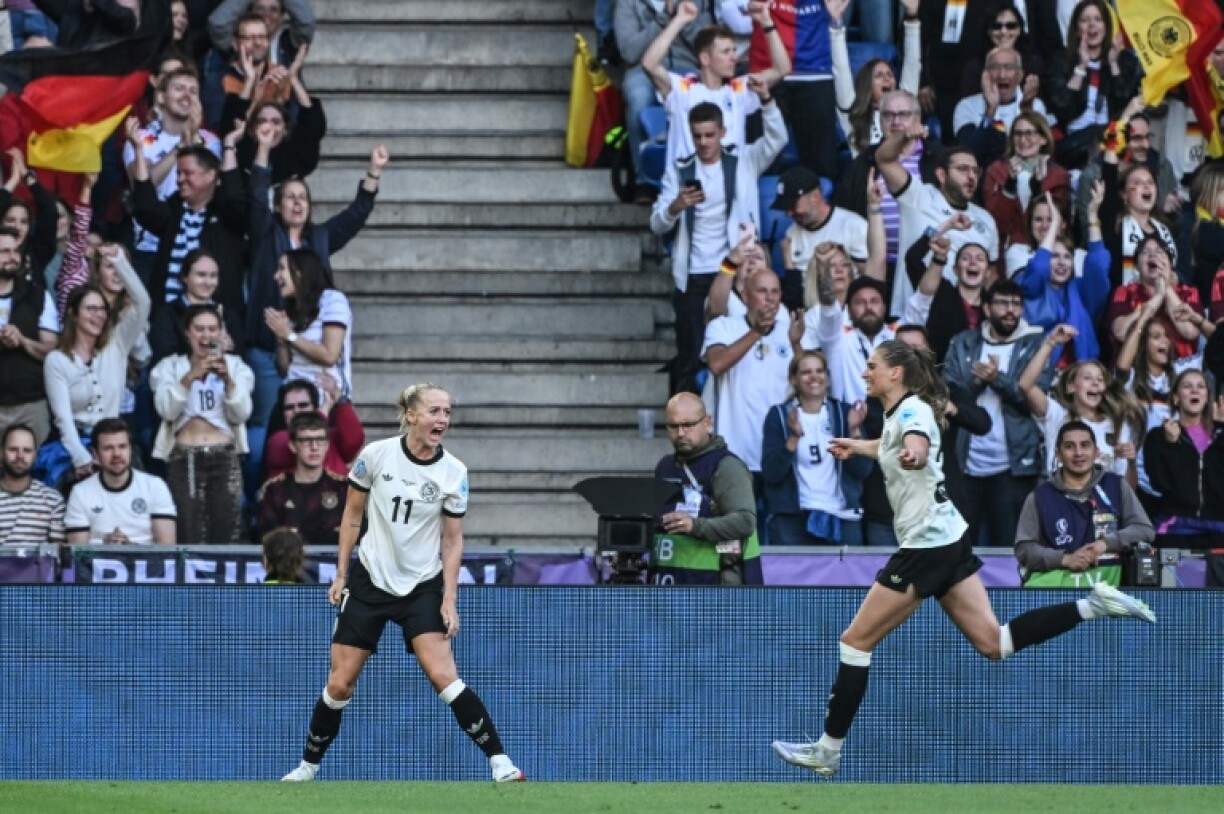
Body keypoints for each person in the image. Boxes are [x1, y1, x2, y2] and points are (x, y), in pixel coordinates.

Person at [770, 339, 1156, 778]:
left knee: (855, 642)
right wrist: (860, 448)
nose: (865, 372)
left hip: (926, 545)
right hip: (949, 537)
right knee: (995, 644)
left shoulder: (912, 412)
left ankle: (828, 749)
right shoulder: (901, 411)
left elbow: (912, 444)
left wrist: (914, 455)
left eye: (873, 366)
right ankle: (1092, 605)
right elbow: (899, 442)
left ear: (896, 373)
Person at [281, 383, 523, 783]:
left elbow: (452, 539)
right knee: (340, 683)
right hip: (371, 580)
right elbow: (352, 517)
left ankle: (502, 763)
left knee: (444, 675)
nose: (442, 419)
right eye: (434, 411)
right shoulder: (376, 456)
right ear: (411, 415)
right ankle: (308, 767)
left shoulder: (454, 472)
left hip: (421, 586)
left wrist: (449, 598)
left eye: (447, 412)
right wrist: (341, 574)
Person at [650, 77, 785, 394]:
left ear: (723, 133)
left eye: (710, 135)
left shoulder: (743, 162)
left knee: (737, 344)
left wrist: (768, 103)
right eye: (697, 136)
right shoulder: (679, 170)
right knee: (691, 353)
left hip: (735, 270)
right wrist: (675, 207)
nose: (704, 142)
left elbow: (777, 140)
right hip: (693, 274)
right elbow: (656, 223)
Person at [943, 280, 1047, 548]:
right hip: (965, 464)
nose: (1010, 310)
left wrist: (997, 379)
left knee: (1011, 549)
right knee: (958, 548)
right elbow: (946, 398)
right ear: (987, 308)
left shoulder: (1035, 345)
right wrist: (978, 383)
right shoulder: (962, 342)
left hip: (1013, 467)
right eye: (1002, 303)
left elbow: (1036, 402)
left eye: (1016, 304)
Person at [40, 247, 149, 488]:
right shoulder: (57, 360)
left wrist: (118, 261)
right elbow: (63, 419)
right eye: (91, 309)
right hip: (74, 449)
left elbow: (143, 302)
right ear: (73, 315)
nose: (99, 315)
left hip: (115, 443)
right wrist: (82, 459)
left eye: (102, 309)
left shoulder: (117, 343)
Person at [875, 118, 1000, 319]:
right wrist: (904, 135)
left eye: (976, 171)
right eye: (963, 169)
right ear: (941, 175)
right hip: (912, 316)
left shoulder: (986, 220)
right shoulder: (918, 195)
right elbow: (884, 160)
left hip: (960, 320)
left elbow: (991, 276)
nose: (971, 177)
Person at [151, 304, 255, 544]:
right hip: (184, 456)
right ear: (187, 332)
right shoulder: (168, 367)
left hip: (224, 455)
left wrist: (228, 381)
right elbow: (166, 410)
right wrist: (189, 377)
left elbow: (242, 414)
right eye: (199, 329)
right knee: (188, 532)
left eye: (212, 329)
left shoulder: (237, 367)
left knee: (226, 531)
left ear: (221, 334)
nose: (206, 336)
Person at [642, 2, 788, 169]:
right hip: (688, 189)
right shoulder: (682, 89)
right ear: (705, 59)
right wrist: (679, 20)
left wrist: (767, 23)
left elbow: (781, 69)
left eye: (734, 50)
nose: (734, 57)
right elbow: (649, 64)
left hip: (729, 188)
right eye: (726, 52)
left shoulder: (738, 90)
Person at [1014, 420, 1155, 588]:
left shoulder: (1116, 485)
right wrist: (1065, 559)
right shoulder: (1039, 496)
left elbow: (1144, 530)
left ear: (1096, 452)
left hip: (1111, 595)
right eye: (1069, 446)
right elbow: (1024, 549)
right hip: (1055, 595)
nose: (1078, 453)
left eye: (1085, 445)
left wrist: (1105, 544)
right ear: (1058, 454)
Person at [760, 350, 870, 545]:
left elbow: (862, 470)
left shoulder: (845, 413)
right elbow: (771, 473)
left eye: (820, 371)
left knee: (847, 577)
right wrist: (793, 438)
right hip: (793, 519)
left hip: (842, 516)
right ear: (793, 379)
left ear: (827, 377)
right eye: (806, 372)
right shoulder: (778, 415)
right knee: (791, 577)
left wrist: (854, 432)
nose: (814, 377)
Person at [652, 392, 760, 584]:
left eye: (688, 425)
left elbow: (745, 521)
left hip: (717, 585)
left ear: (707, 422)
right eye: (673, 426)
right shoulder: (665, 466)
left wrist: (695, 525)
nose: (680, 433)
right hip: (669, 581)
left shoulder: (727, 466)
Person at [700, 269, 799, 478]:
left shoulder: (791, 331)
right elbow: (716, 365)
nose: (770, 298)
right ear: (745, 295)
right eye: (762, 291)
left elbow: (810, 380)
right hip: (733, 454)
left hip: (778, 454)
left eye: (775, 291)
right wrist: (756, 332)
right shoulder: (723, 326)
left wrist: (797, 344)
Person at [1017, 326, 1146, 484]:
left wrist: (1131, 462)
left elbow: (1128, 490)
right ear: (1071, 386)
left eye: (1100, 380)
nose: (1095, 383)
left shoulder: (1118, 425)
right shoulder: (1057, 415)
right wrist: (1050, 343)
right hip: (1061, 504)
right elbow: (1025, 385)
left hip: (1102, 507)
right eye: (1087, 378)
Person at [1142, 369, 1224, 586]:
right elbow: (1161, 484)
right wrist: (1171, 446)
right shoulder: (1157, 437)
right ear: (1176, 398)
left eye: (1200, 386)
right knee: (1185, 607)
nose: (1195, 390)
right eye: (1187, 386)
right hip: (1178, 531)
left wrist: (1222, 435)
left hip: (1219, 532)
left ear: (1207, 397)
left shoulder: (1221, 435)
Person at [1015, 190, 1111, 367]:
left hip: (1082, 373)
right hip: (1038, 373)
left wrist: (1091, 216)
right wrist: (1054, 225)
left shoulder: (1082, 290)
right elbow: (1038, 268)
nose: (1061, 263)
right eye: (1054, 256)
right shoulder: (1028, 284)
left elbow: (1098, 266)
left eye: (1067, 257)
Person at [1043, 0, 1141, 170]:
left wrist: (1113, 64)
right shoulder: (1062, 60)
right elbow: (1062, 107)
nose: (1092, 25)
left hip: (1112, 140)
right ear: (1076, 27)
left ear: (1106, 25)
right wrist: (1081, 67)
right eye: (1085, 20)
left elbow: (1123, 104)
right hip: (1075, 146)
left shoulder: (1124, 60)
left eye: (1098, 19)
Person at [828, 0, 921, 157]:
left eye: (890, 75)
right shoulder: (851, 113)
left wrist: (911, 16)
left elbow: (913, 64)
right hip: (867, 178)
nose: (887, 79)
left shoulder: (904, 106)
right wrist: (836, 23)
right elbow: (841, 68)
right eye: (879, 75)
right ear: (866, 85)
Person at [64, 418, 177, 545]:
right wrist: (104, 548)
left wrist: (129, 550)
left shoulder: (155, 486)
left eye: (122, 446)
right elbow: (77, 555)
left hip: (147, 563)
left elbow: (167, 550)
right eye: (108, 448)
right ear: (95, 454)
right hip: (95, 562)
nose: (116, 454)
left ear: (131, 450)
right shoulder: (80, 492)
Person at [264, 249, 353, 396]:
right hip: (293, 396)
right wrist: (281, 341)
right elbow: (284, 369)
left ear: (299, 272)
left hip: (327, 396)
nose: (276, 276)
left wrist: (289, 335)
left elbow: (329, 356)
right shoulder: (291, 308)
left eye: (281, 268)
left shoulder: (332, 300)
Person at [0, 226, 57, 445]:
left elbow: (52, 350)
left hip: (30, 404)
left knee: (33, 472)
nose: (12, 257)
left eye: (16, 251)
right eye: (4, 252)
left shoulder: (38, 295)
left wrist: (22, 341)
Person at [256, 411, 347, 546]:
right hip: (288, 565)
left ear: (327, 445)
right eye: (306, 441)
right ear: (293, 446)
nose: (314, 447)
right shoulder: (274, 490)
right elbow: (267, 539)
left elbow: (359, 536)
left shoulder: (343, 488)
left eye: (320, 440)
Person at [982, 112, 1071, 248]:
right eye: (1018, 134)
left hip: (1047, 247)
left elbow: (1056, 222)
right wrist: (1010, 184)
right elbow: (995, 222)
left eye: (1029, 133)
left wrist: (1038, 186)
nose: (1023, 140)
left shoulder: (1058, 176)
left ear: (1044, 139)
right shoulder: (996, 171)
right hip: (1006, 248)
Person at [262, 376, 364, 481]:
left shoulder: (330, 436)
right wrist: (320, 416)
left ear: (315, 408)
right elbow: (298, 437)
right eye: (289, 407)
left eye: (303, 405)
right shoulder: (277, 441)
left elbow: (354, 441)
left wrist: (340, 400)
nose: (296, 411)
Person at [0, 423, 65, 545]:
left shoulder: (52, 499)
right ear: (2, 453)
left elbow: (58, 554)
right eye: (13, 449)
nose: (20, 456)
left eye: (27, 451)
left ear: (35, 455)